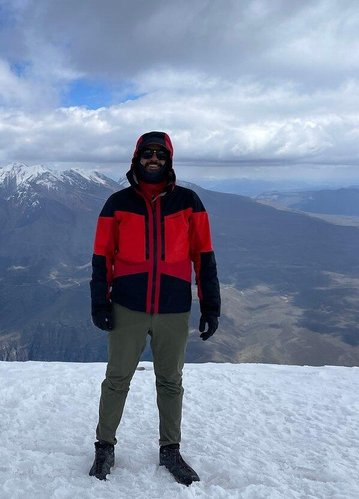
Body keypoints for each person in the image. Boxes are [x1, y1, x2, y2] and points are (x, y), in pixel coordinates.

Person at [88, 131, 221, 486]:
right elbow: (101, 259)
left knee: (171, 381)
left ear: (168, 160)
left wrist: (211, 308)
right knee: (116, 379)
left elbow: (204, 258)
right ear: (137, 158)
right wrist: (99, 301)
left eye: (160, 155)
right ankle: (104, 447)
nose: (153, 159)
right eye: (147, 153)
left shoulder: (189, 202)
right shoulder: (117, 204)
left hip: (173, 308)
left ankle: (170, 450)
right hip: (127, 306)